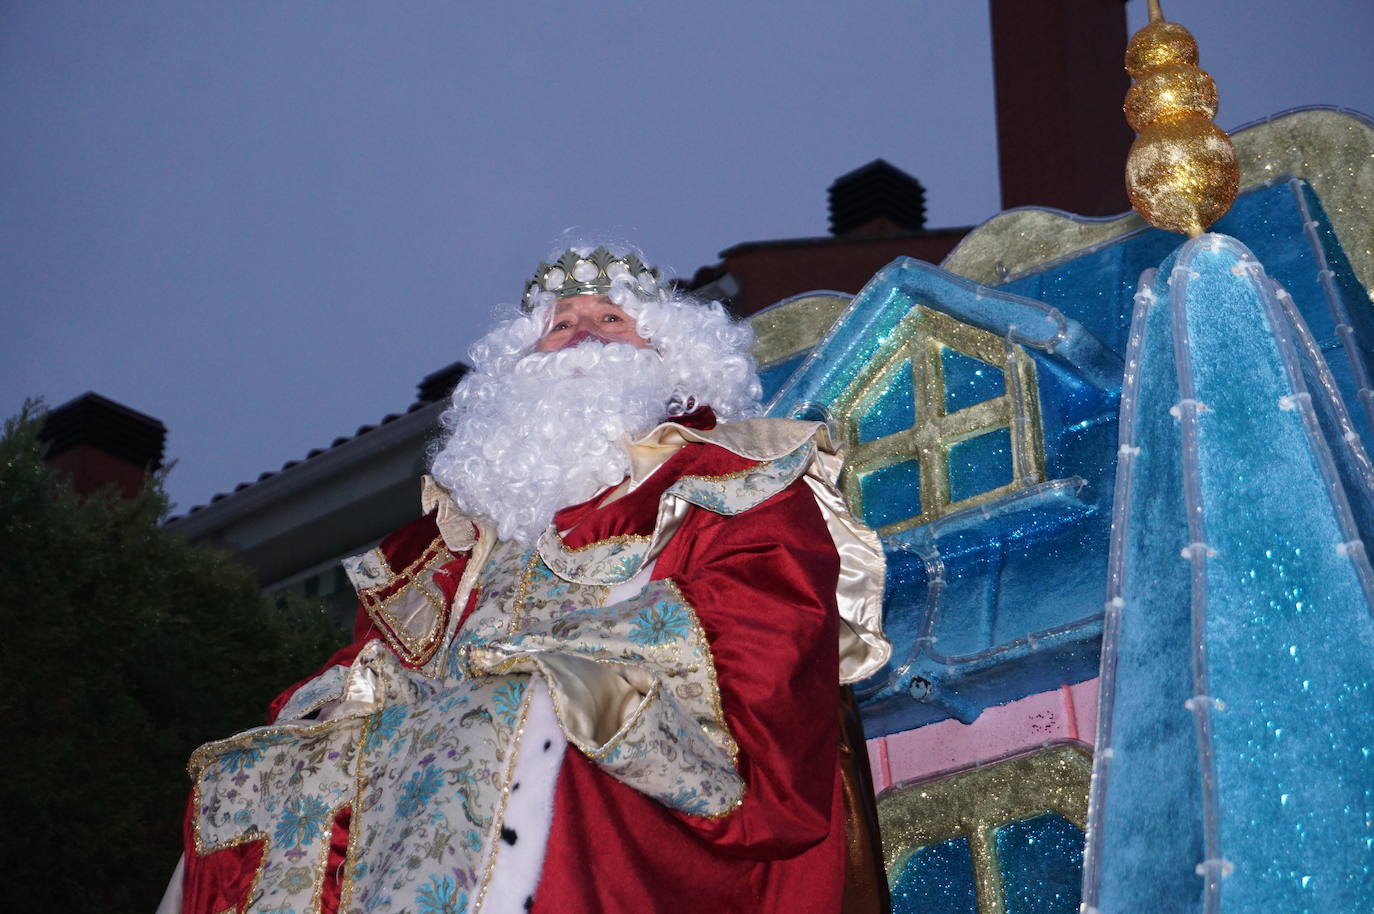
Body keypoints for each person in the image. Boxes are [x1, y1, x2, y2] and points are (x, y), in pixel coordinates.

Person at [164, 245, 890, 914]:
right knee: (256, 777)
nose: (583, 333)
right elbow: (376, 661)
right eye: (559, 325)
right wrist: (336, 704)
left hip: (661, 758)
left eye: (612, 318)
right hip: (438, 742)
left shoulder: (729, 483)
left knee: (516, 709)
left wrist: (561, 661)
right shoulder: (457, 540)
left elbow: (769, 629)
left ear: (674, 362)